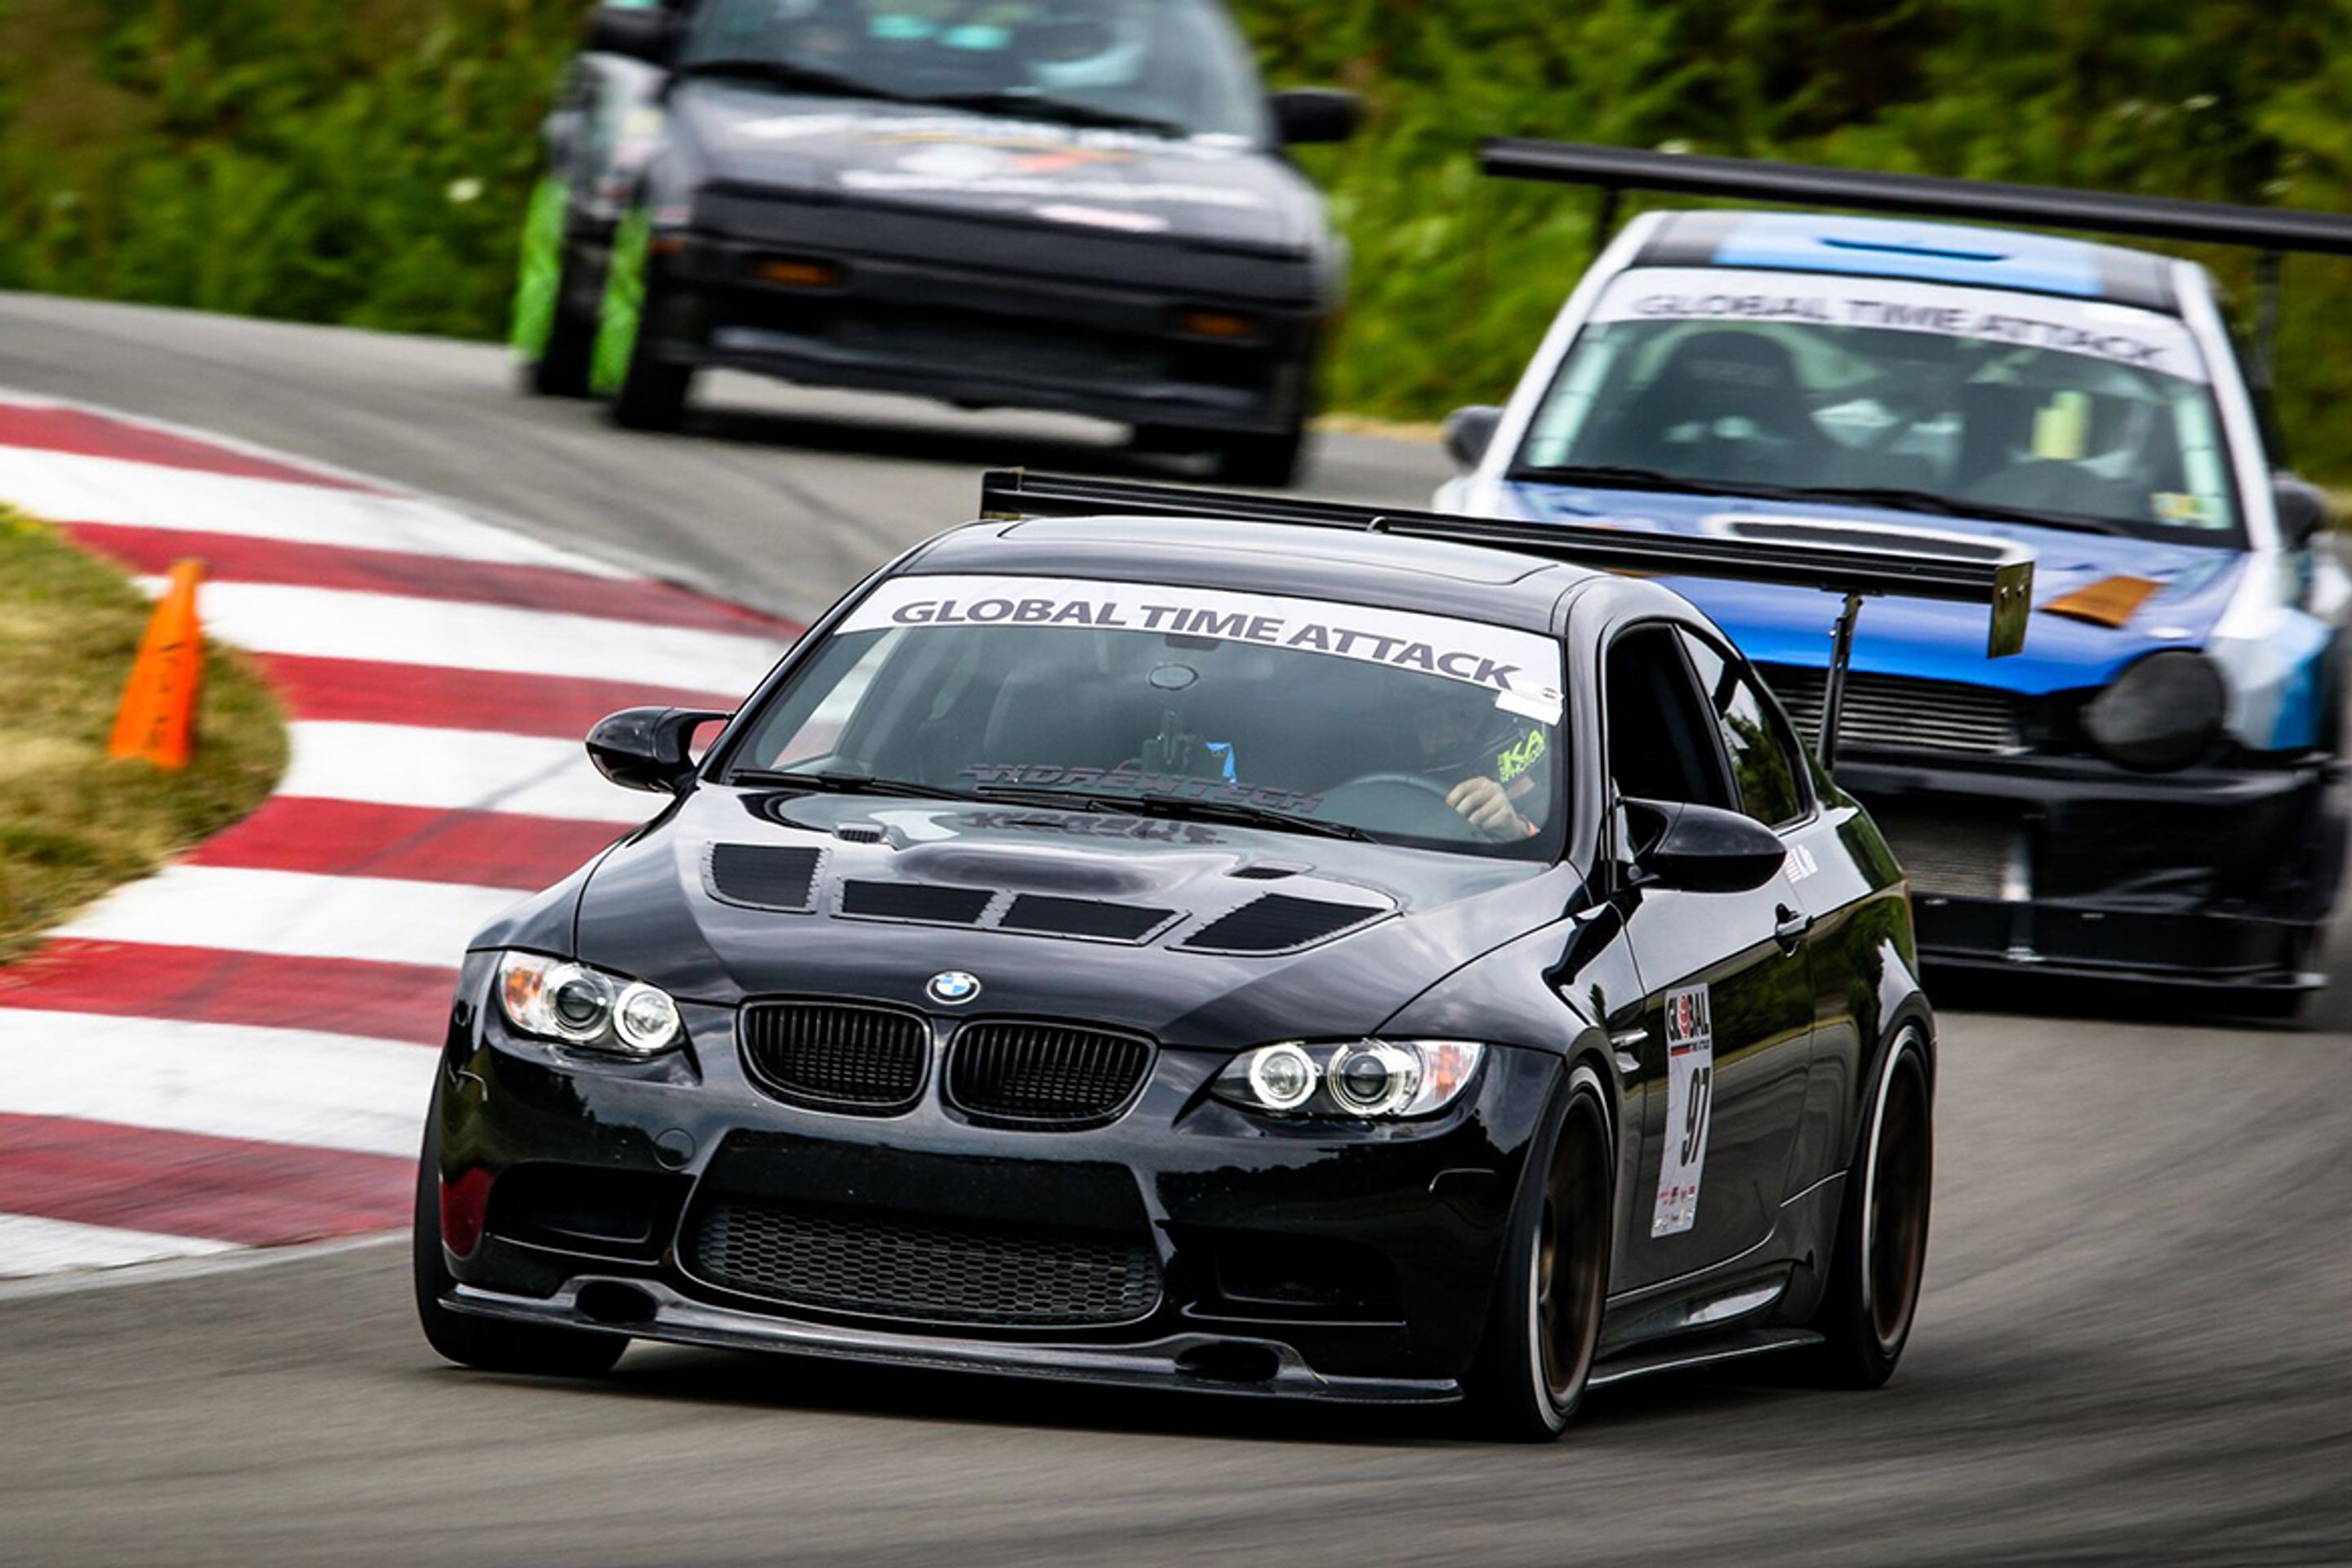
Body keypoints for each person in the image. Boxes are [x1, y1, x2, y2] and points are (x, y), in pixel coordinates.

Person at [1413, 688, 1551, 840]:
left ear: (1494, 723)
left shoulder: (1555, 806)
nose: (1444, 737)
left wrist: (1516, 831)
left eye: (1461, 716)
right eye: (1429, 722)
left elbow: (1550, 854)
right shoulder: (1406, 795)